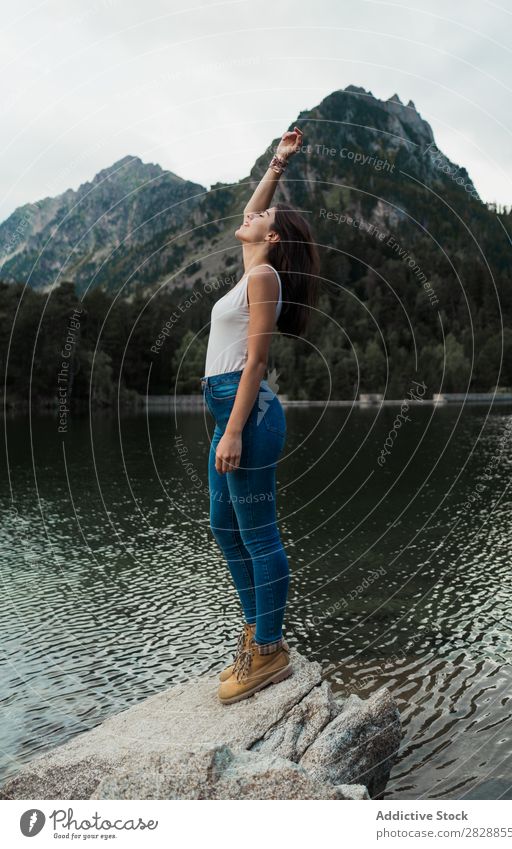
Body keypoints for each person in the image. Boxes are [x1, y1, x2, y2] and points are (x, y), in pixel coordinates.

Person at [200, 126, 320, 704]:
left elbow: (256, 361)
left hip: (246, 411)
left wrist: (231, 430)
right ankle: (256, 635)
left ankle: (268, 649)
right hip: (228, 408)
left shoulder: (265, 276)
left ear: (271, 239)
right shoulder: (254, 265)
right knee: (226, 527)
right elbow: (250, 209)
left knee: (258, 533)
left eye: (263, 217)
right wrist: (279, 162)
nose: (251, 215)